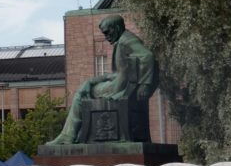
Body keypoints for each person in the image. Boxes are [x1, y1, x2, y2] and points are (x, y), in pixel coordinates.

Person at [47, 14, 157, 145]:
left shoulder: (126, 40)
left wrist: (145, 84)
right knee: (86, 85)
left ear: (116, 28)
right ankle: (73, 134)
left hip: (119, 88)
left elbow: (148, 56)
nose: (106, 36)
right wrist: (94, 80)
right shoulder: (123, 40)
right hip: (120, 83)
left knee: (80, 95)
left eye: (107, 32)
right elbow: (120, 72)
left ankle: (68, 136)